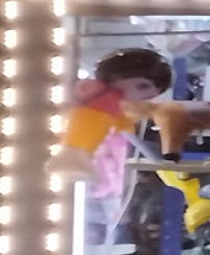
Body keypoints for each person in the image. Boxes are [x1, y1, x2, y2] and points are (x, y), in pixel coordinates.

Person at [48, 48, 172, 178]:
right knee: (83, 139)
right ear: (118, 74)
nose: (140, 97)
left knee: (90, 141)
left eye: (147, 96)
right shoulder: (99, 90)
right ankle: (71, 155)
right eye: (142, 87)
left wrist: (124, 124)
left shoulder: (116, 102)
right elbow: (78, 94)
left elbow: (119, 118)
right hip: (83, 125)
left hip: (93, 132)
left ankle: (77, 156)